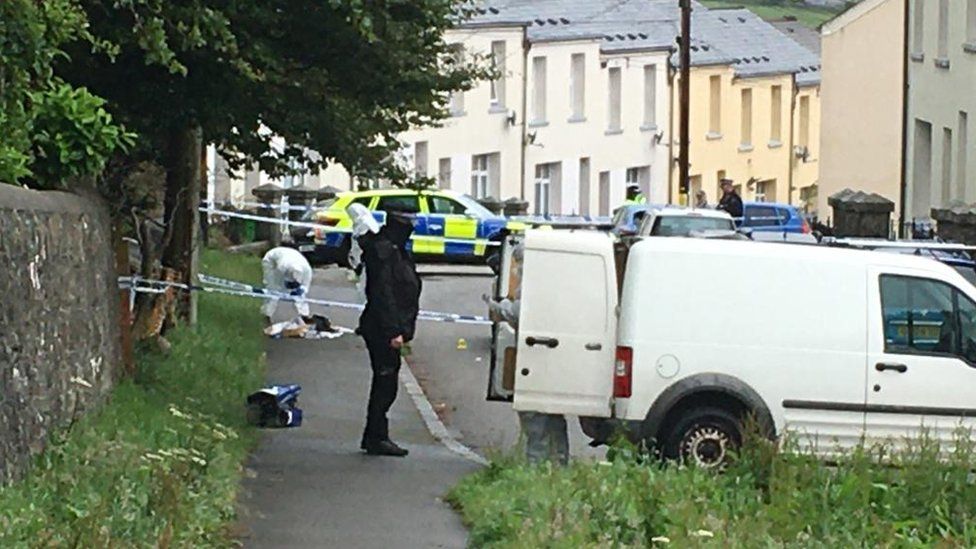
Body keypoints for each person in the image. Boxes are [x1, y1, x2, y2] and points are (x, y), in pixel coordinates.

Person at [486, 243, 568, 465]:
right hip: (549, 361)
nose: (517, 269)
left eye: (519, 263)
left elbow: (519, 313)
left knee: (535, 421)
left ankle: (537, 469)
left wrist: (496, 305)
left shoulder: (535, 286)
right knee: (552, 420)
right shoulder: (554, 285)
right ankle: (558, 466)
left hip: (535, 361)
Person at [358, 206, 422, 457]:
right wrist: (394, 331)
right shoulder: (384, 252)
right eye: (409, 222)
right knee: (385, 383)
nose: (413, 227)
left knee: (386, 382)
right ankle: (376, 437)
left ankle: (375, 435)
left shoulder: (395, 249)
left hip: (389, 328)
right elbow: (383, 295)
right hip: (382, 329)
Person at [261, 246, 314, 324]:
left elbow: (305, 287)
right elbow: (277, 283)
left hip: (290, 257)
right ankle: (266, 314)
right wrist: (283, 288)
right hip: (271, 261)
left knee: (300, 295)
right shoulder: (282, 267)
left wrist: (300, 291)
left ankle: (304, 315)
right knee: (273, 289)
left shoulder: (307, 271)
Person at [346, 203, 380, 302]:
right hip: (360, 261)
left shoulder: (365, 224)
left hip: (366, 262)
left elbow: (363, 243)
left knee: (367, 289)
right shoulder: (359, 223)